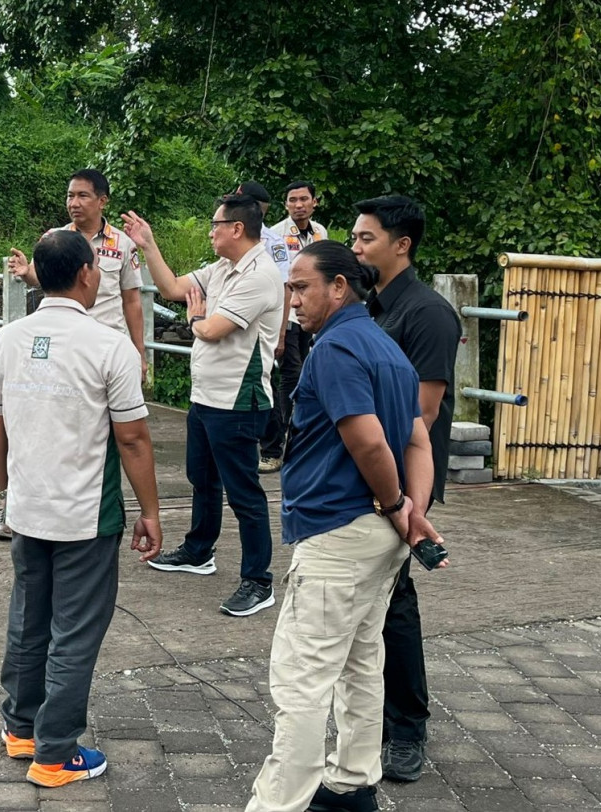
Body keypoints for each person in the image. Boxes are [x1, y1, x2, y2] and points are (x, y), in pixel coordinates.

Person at [244, 241, 447, 812]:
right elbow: (416, 440)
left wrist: (392, 503)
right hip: (379, 537)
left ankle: (281, 801)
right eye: (290, 288)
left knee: (302, 677)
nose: (293, 299)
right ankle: (352, 784)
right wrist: (413, 511)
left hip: (339, 529)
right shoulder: (387, 349)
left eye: (302, 286)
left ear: (339, 287)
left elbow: (369, 440)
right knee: (362, 662)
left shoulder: (335, 349)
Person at [0, 229, 162, 787]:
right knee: (75, 630)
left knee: (28, 619)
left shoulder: (6, 340)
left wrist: (8, 492)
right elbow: (131, 439)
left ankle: (21, 728)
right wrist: (151, 511)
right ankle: (55, 755)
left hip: (27, 510)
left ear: (38, 272)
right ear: (89, 274)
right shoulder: (110, 348)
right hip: (86, 515)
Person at [121, 194, 284, 617]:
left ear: (237, 228)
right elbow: (175, 288)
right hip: (206, 396)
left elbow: (211, 329)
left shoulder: (261, 275)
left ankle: (258, 580)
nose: (210, 231)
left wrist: (196, 320)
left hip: (238, 401)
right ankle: (198, 550)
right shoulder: (223, 268)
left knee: (244, 493)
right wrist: (147, 244)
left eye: (215, 224)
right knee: (203, 479)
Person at [351, 194, 461, 783]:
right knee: (373, 600)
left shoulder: (428, 314)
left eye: (367, 238)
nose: (357, 248)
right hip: (363, 476)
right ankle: (374, 720)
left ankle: (406, 729)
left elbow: (423, 407)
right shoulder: (368, 306)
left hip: (399, 479)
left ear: (402, 245)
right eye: (354, 238)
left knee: (394, 605)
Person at [0, 168, 146, 541]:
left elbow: (132, 300)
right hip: (60, 350)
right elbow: (50, 284)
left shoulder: (124, 244)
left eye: (82, 196)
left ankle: (99, 509)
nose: (74, 203)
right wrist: (28, 274)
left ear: (102, 200)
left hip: (106, 353)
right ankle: (15, 505)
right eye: (70, 196)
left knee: (113, 434)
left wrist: (139, 354)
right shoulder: (54, 238)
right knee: (44, 428)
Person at [235, 181, 291, 474]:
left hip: (263, 329)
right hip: (236, 325)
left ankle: (272, 449)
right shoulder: (231, 235)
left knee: (264, 384)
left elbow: (285, 289)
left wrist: (281, 332)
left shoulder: (273, 242)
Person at [273, 180, 328, 460]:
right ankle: (281, 437)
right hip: (285, 313)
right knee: (291, 373)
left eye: (303, 199)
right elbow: (279, 283)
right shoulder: (276, 235)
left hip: (312, 315)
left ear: (314, 202)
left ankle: (302, 430)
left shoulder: (320, 233)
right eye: (292, 200)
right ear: (286, 205)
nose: (298, 205)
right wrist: (280, 330)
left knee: (306, 372)